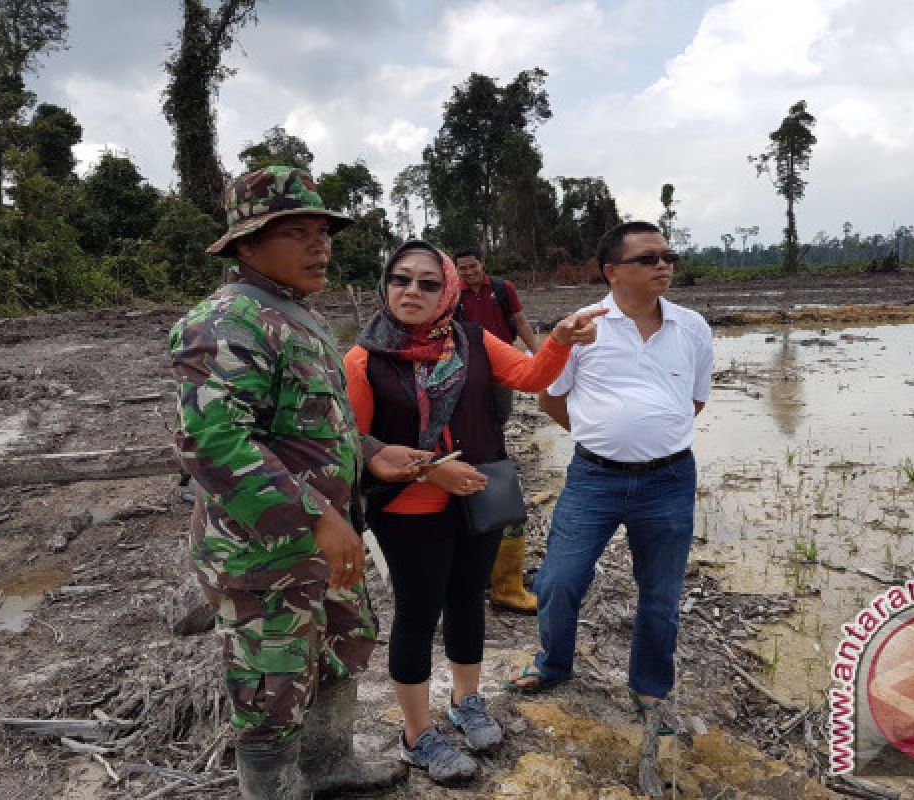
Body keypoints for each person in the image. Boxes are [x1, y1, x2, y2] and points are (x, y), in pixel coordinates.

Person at [168, 166, 431, 800]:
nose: (321, 246)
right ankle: (276, 789)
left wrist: (372, 453)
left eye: (324, 232)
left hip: (322, 544)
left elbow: (312, 427)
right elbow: (213, 441)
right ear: (246, 244)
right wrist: (315, 515)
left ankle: (327, 763)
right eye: (297, 232)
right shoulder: (226, 324)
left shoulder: (297, 317)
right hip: (265, 551)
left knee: (343, 645)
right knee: (270, 681)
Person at [344, 240, 605, 785]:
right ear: (384, 286)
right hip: (409, 509)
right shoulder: (365, 360)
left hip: (479, 497)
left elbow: (533, 378)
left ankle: (467, 701)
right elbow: (352, 443)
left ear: (448, 291)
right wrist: (427, 469)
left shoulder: (474, 340)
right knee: (417, 615)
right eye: (400, 279)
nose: (411, 291)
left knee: (467, 601)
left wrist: (557, 339)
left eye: (427, 282)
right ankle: (416, 737)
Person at [507, 221, 713, 739]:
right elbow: (549, 397)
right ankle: (554, 664)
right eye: (647, 259)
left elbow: (694, 400)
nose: (662, 265)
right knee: (560, 579)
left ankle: (649, 687)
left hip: (669, 480)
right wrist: (605, 437)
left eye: (667, 256)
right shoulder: (580, 328)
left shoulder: (692, 327)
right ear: (612, 271)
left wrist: (648, 436)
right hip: (594, 479)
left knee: (661, 593)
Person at [454, 247, 543, 614]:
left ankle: (505, 585)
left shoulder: (502, 289)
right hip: (465, 368)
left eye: (473, 267)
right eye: (463, 269)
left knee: (495, 424)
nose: (470, 273)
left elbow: (520, 321)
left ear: (482, 266)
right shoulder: (452, 295)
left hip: (501, 363)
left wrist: (536, 353)